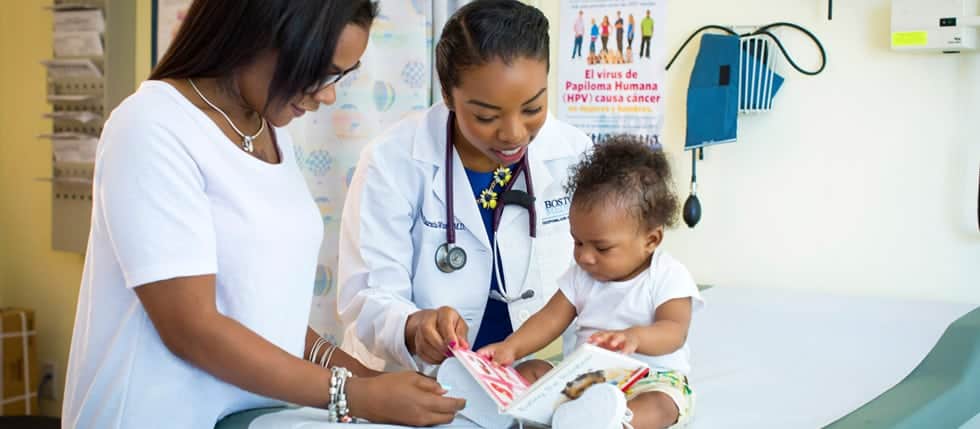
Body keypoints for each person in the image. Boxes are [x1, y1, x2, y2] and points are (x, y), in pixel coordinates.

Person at [62, 1, 464, 427]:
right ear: (260, 32)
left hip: (245, 416)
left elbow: (264, 316)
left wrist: (374, 384)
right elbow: (191, 328)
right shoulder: (150, 128)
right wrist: (354, 395)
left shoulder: (266, 130)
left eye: (340, 77)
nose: (328, 95)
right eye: (321, 71)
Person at [337, 0, 591, 383]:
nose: (513, 133)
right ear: (447, 94)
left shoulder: (575, 155)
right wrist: (412, 326)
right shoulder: (392, 161)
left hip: (538, 380)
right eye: (486, 116)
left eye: (532, 108)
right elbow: (367, 298)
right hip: (421, 384)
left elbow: (607, 274)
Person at [479, 137, 703, 429]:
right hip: (586, 379)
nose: (584, 256)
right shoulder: (581, 275)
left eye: (602, 247)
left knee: (663, 405)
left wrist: (635, 338)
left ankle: (616, 421)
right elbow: (549, 319)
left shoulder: (668, 275)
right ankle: (520, 413)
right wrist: (512, 347)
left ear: (651, 240)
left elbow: (674, 331)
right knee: (529, 370)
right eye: (578, 241)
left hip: (650, 378)